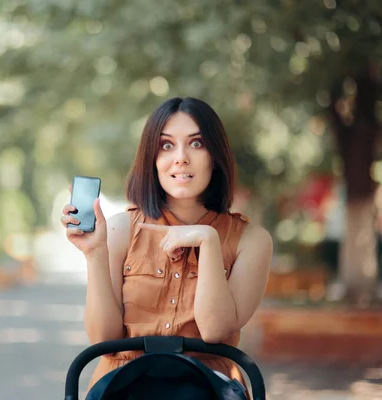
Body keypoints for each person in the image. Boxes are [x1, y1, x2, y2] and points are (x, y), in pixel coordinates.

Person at [60, 97, 273, 396]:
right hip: (123, 388)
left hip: (207, 389)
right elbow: (102, 339)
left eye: (196, 143)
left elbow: (215, 331)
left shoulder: (251, 240)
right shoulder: (122, 228)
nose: (181, 158)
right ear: (152, 158)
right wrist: (95, 254)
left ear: (215, 155)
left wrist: (207, 242)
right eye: (167, 145)